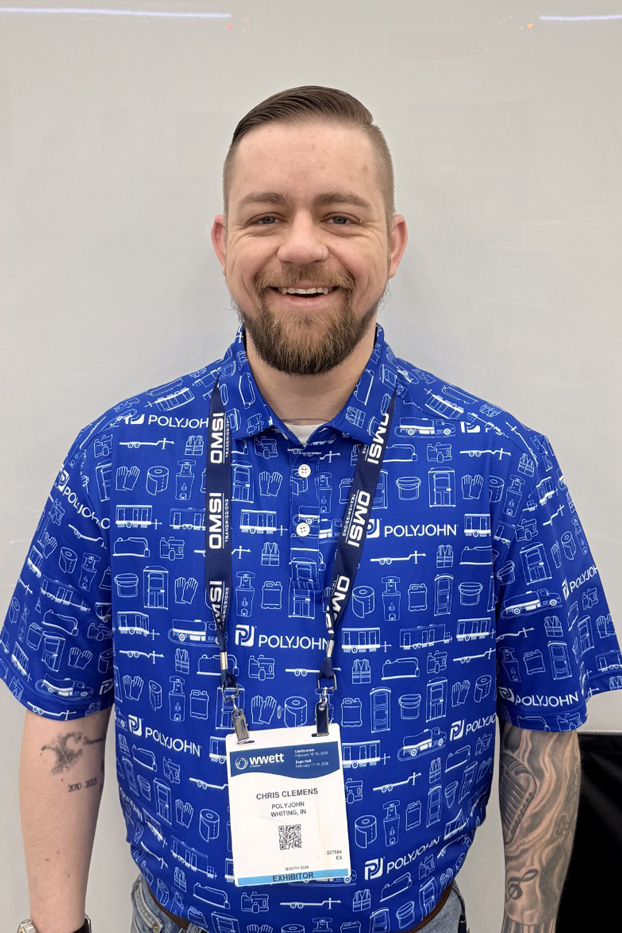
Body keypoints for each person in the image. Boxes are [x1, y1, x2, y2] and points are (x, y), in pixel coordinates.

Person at [2, 85, 620, 933]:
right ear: (224, 242)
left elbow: (543, 731)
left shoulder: (504, 466)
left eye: (339, 215)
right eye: (266, 216)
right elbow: (62, 709)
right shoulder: (114, 458)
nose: (301, 246)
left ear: (392, 244)